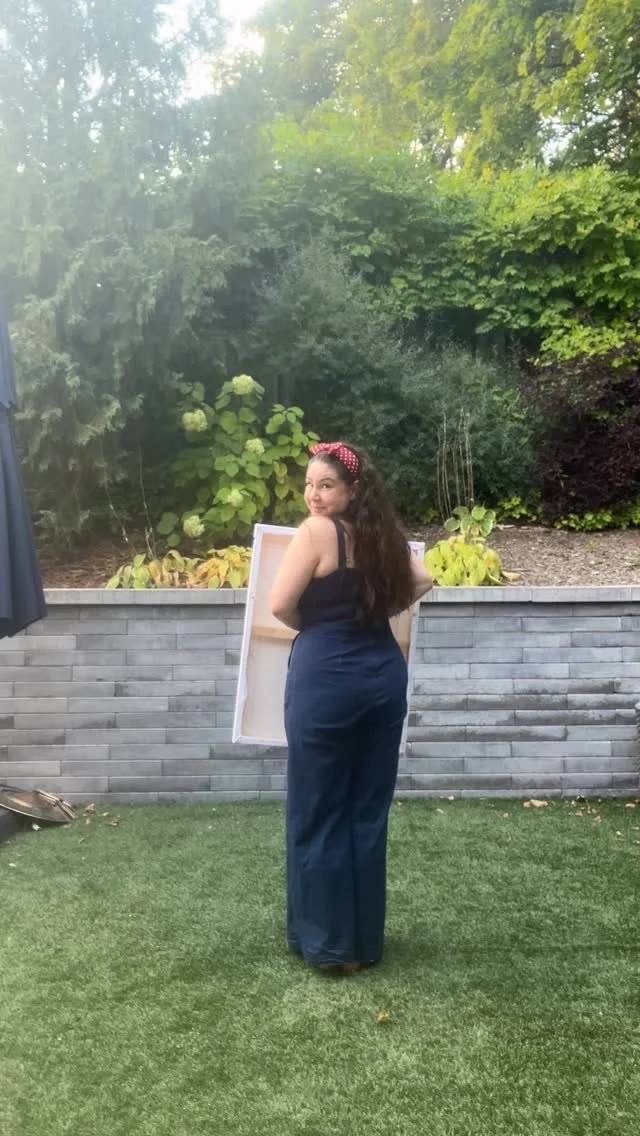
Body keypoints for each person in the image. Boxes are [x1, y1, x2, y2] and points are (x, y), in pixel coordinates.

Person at [270, 441, 433, 976]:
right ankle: (362, 944)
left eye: (326, 485)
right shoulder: (382, 535)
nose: (313, 496)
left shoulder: (315, 532)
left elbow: (280, 605)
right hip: (382, 679)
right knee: (365, 811)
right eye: (309, 485)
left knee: (319, 808)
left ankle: (329, 947)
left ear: (352, 489)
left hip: (327, 681)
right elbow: (423, 579)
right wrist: (373, 614)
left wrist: (320, 628)